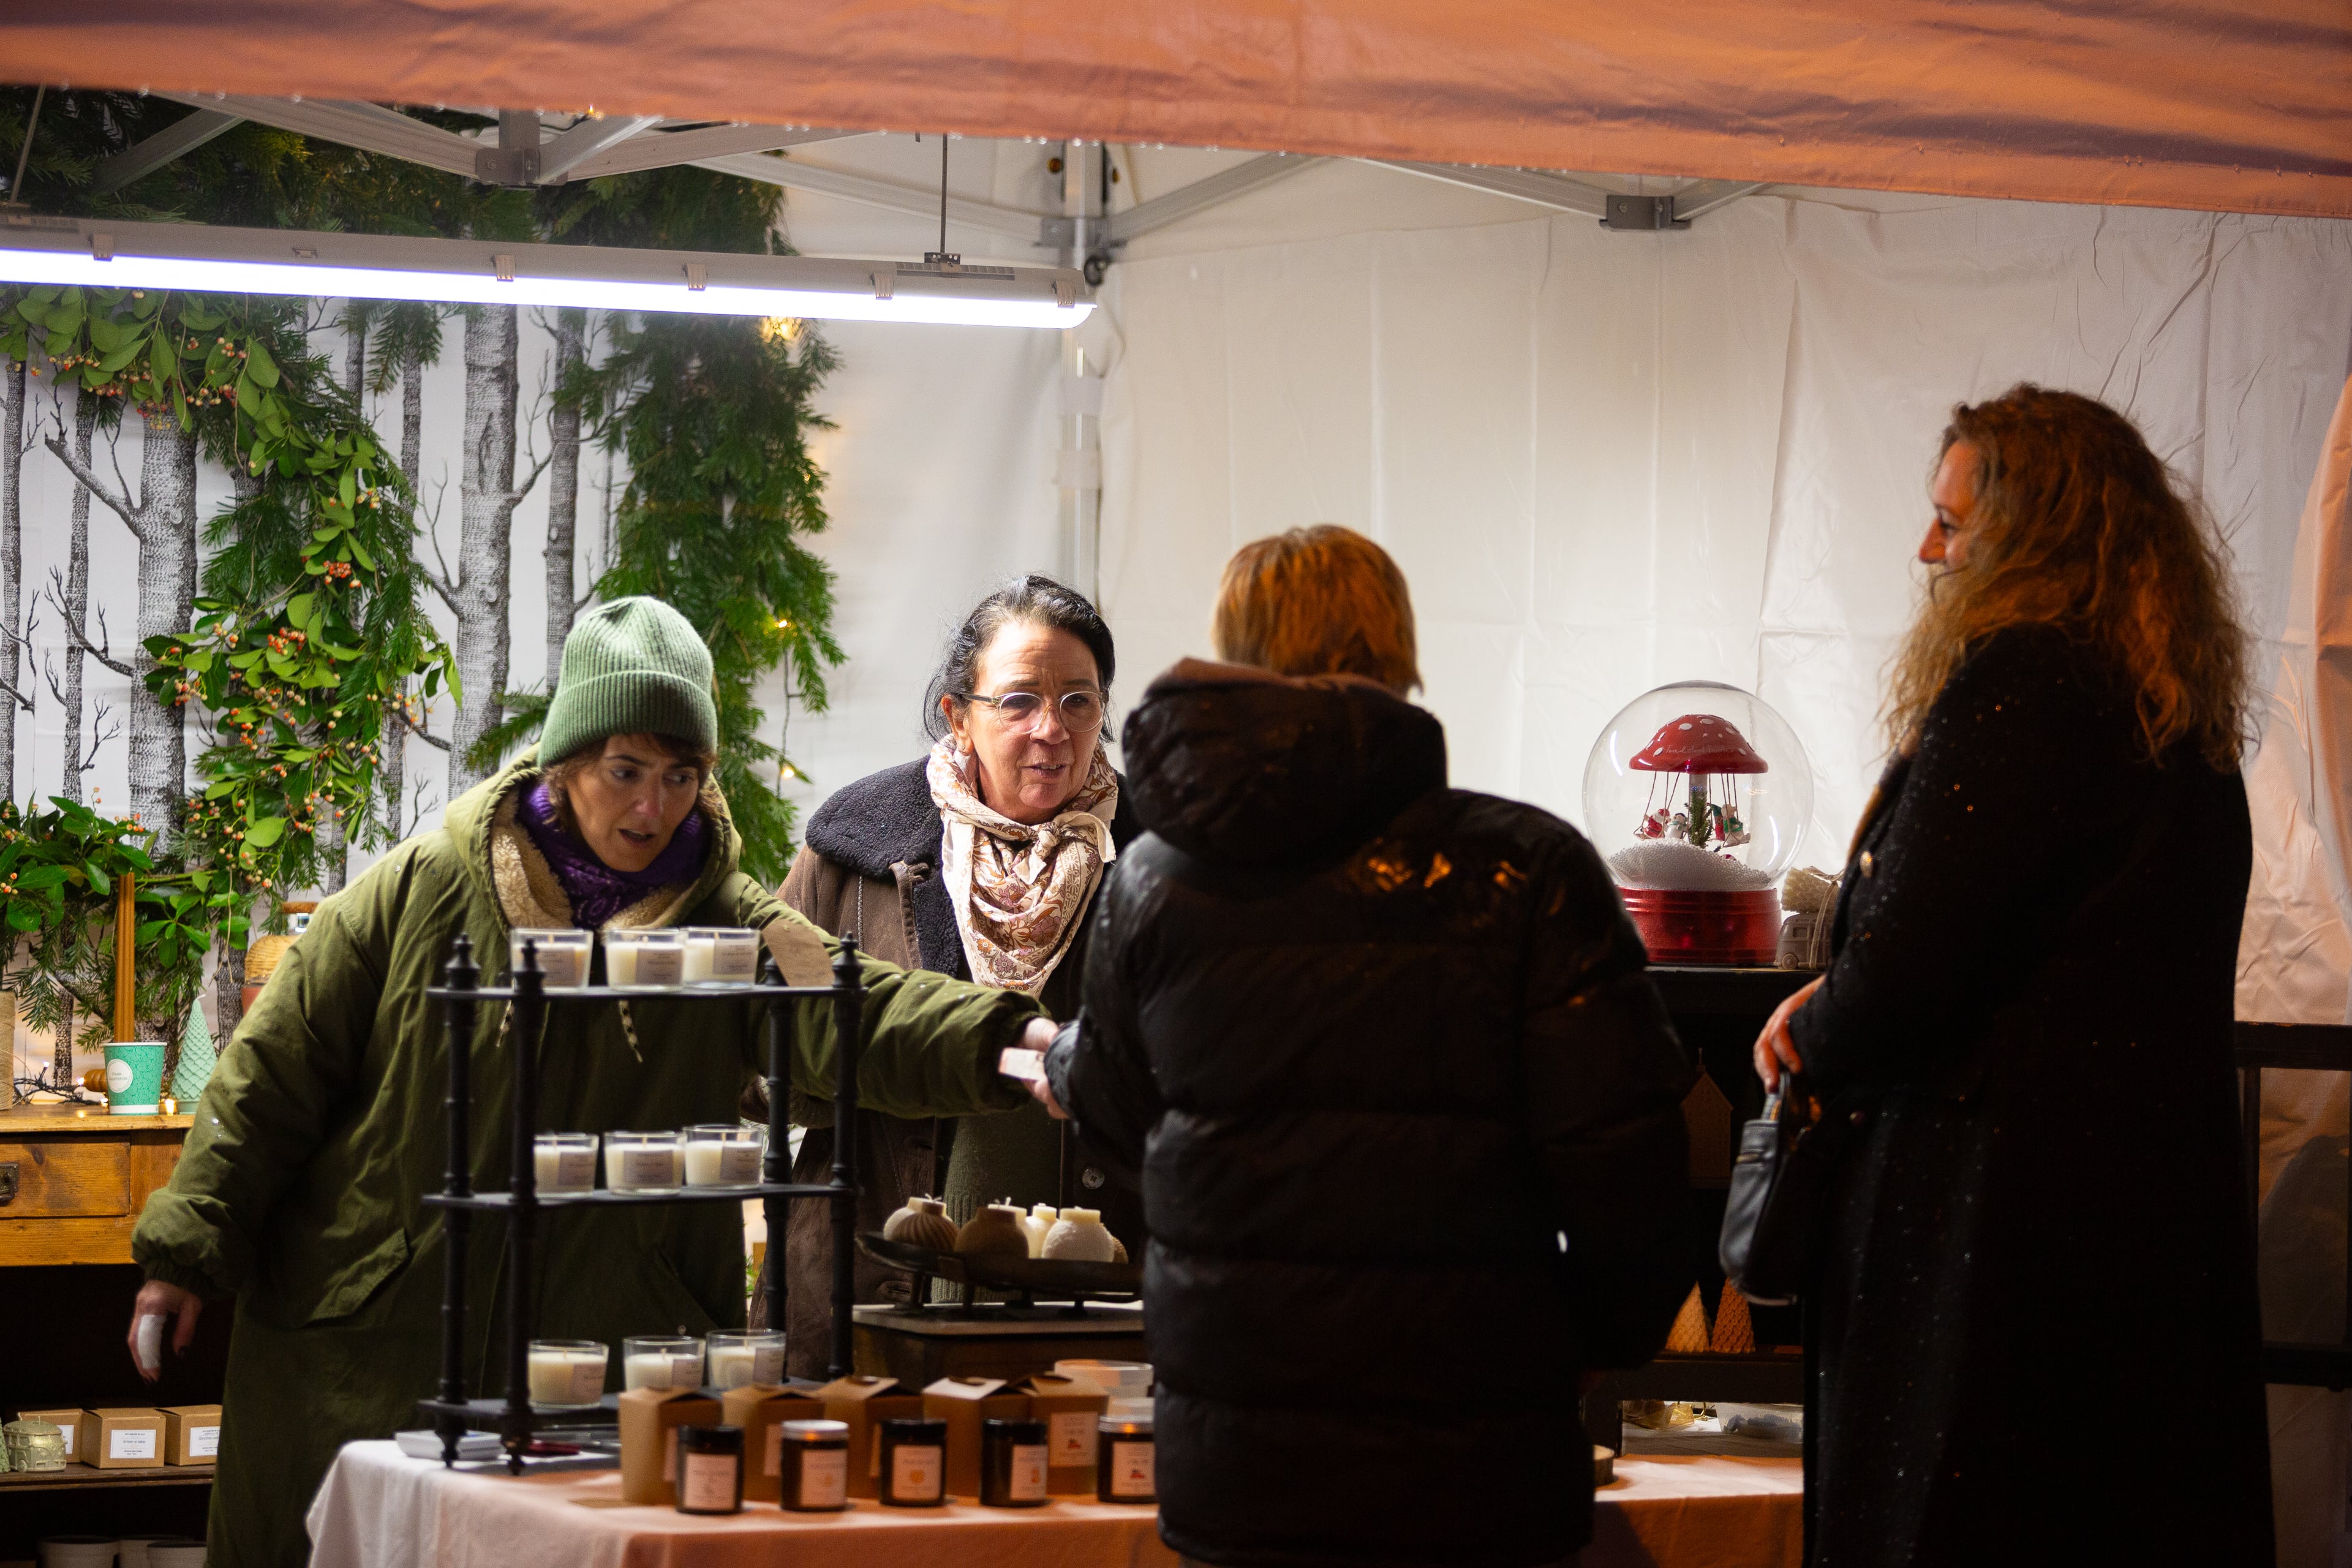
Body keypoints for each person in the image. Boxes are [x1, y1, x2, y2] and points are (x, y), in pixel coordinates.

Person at [127, 597, 1057, 1568]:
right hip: (380, 1344)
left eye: (680, 776)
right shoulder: (421, 887)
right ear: (566, 762)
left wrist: (1016, 1037)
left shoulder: (735, 926)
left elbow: (858, 1006)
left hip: (608, 1369)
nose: (652, 809)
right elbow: (273, 1068)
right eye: (625, 771)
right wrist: (185, 1252)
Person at [1041, 526, 1695, 1567]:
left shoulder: (1153, 883)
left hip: (1241, 1460)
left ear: (1238, 653)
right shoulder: (1529, 869)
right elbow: (1634, 1173)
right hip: (1476, 1463)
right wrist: (1589, 1347)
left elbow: (1119, 1122)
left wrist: (1063, 1060)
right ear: (1398, 650)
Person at [1750, 386, 2272, 1564]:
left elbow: (1911, 967)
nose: (1928, 551)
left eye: (1954, 523)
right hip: (2137, 1219)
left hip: (1998, 1233)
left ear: (2036, 535)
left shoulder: (2030, 679)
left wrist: (1819, 1029)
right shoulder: (2169, 703)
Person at [764, 575, 1143, 1375]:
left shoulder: (1153, 863)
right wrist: (895, 1055)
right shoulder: (854, 849)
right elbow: (763, 1060)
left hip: (1094, 1310)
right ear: (958, 715)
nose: (1052, 729)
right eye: (1019, 702)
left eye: (1079, 702)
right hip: (874, 1292)